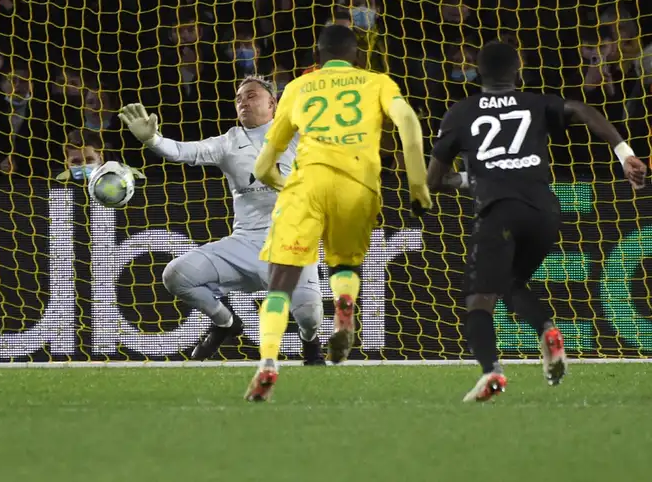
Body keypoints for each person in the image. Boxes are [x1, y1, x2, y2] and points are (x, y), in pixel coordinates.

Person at [427, 40, 647, 402]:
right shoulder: (535, 102)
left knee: (479, 299)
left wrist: (471, 179)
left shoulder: (460, 112)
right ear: (518, 71)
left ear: (477, 72)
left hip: (499, 210)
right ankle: (548, 333)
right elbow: (580, 109)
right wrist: (624, 154)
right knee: (511, 284)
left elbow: (434, 180)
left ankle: (490, 372)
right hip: (545, 210)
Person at [246, 24, 431, 401]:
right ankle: (344, 307)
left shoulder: (298, 87)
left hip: (308, 183)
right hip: (359, 185)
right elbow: (409, 123)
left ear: (317, 58)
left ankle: (267, 363)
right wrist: (417, 187)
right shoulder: (377, 81)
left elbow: (265, 163)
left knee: (280, 282)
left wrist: (285, 186)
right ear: (357, 57)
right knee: (344, 266)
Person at [119, 76, 326, 365]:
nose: (244, 101)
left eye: (252, 96)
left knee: (309, 315)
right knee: (176, 276)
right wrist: (152, 139)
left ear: (272, 103)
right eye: (239, 97)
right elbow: (181, 151)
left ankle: (311, 343)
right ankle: (226, 323)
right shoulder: (229, 143)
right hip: (245, 245)